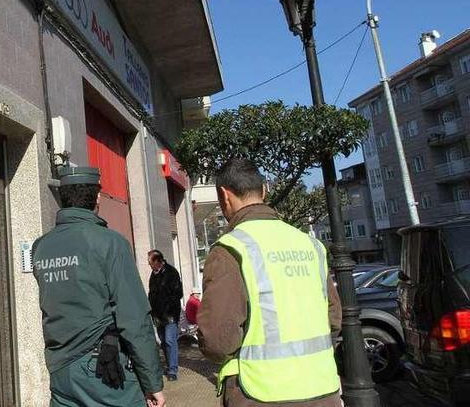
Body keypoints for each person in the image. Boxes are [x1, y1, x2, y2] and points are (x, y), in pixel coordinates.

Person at [198, 158, 342, 407]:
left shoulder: (231, 250)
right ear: (264, 190)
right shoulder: (311, 245)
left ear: (224, 196)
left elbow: (218, 341)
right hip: (323, 389)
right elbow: (334, 320)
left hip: (262, 394)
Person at [33, 165, 166, 407]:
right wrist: (152, 383)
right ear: (96, 198)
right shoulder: (110, 243)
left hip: (60, 370)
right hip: (103, 370)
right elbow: (134, 318)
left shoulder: (41, 247)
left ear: (63, 199)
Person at [147, 249, 183, 381]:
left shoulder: (171, 273)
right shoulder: (153, 275)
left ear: (157, 261)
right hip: (157, 315)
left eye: (150, 262)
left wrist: (169, 310)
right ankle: (169, 366)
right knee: (162, 342)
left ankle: (173, 370)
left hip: (170, 314)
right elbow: (152, 293)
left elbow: (178, 294)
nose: (149, 265)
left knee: (169, 340)